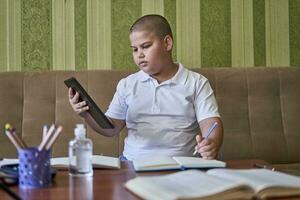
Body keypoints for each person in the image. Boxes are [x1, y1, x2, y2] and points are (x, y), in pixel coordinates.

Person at [68, 14, 223, 161]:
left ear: (167, 43)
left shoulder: (196, 82)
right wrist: (86, 114)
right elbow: (111, 129)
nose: (139, 54)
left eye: (146, 46)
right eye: (135, 49)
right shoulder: (127, 84)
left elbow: (211, 124)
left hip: (181, 165)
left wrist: (211, 143)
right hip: (132, 163)